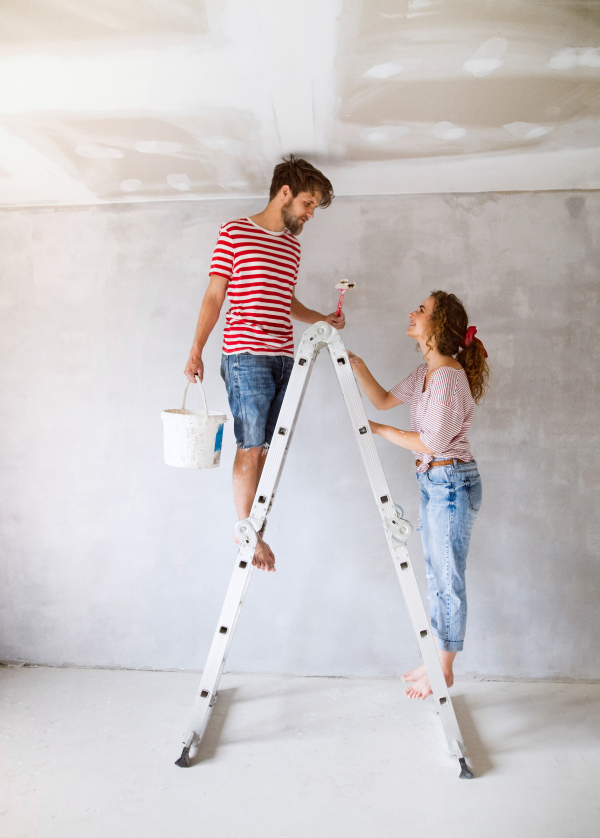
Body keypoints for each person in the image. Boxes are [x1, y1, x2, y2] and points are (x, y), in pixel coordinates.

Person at [184, 156, 345, 572]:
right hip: (246, 353)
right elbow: (215, 295)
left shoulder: (292, 246)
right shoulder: (235, 232)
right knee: (251, 445)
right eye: (309, 203)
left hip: (284, 356)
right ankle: (248, 534)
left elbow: (284, 300)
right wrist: (196, 349)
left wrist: (321, 319)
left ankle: (256, 529)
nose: (310, 214)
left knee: (272, 450)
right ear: (285, 193)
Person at [348, 291, 489, 700]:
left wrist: (377, 430)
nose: (412, 312)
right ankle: (435, 658)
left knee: (447, 577)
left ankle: (443, 669)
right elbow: (382, 399)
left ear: (438, 326)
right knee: (436, 575)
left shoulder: (447, 376)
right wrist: (354, 365)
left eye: (422, 310)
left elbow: (434, 441)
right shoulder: (425, 371)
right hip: (435, 483)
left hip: (452, 483)